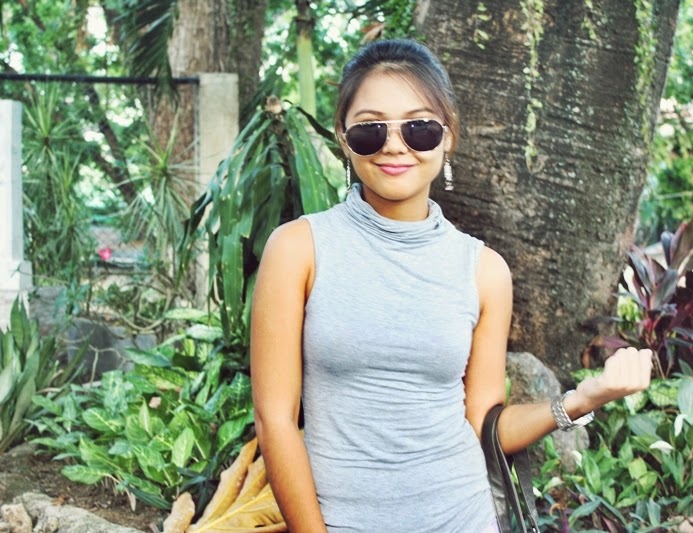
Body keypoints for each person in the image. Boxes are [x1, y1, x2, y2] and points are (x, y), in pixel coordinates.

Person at [250, 39, 653, 533]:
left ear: (448, 136)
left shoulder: (483, 270)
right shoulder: (299, 249)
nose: (394, 145)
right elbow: (275, 419)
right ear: (343, 137)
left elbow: (483, 423)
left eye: (419, 128)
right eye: (371, 129)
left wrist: (584, 398)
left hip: (462, 517)